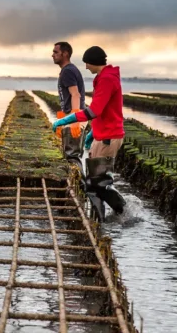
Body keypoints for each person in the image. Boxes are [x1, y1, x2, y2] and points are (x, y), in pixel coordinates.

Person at [52, 46, 126, 214]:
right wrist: (93, 133)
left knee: (97, 185)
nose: (85, 67)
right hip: (104, 135)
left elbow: (93, 111)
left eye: (87, 63)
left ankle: (119, 212)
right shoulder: (103, 77)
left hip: (108, 136)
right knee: (96, 183)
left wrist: (67, 119)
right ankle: (102, 220)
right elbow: (106, 110)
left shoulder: (107, 79)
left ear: (93, 62)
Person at [51, 42, 87, 167]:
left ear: (65, 54)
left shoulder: (68, 71)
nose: (52, 55)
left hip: (75, 118)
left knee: (72, 157)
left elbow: (76, 95)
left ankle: (80, 185)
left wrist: (75, 121)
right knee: (70, 156)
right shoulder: (68, 70)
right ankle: (77, 185)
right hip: (72, 117)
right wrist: (63, 118)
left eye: (56, 52)